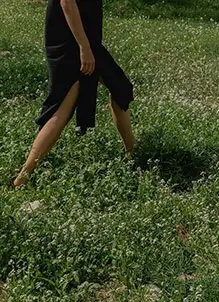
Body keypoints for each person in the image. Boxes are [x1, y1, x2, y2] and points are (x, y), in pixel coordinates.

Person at [14, 0, 137, 188]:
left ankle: (132, 153)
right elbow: (67, 3)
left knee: (120, 88)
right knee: (62, 108)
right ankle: (24, 175)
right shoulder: (80, 45)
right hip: (72, 42)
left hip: (86, 41)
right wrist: (84, 47)